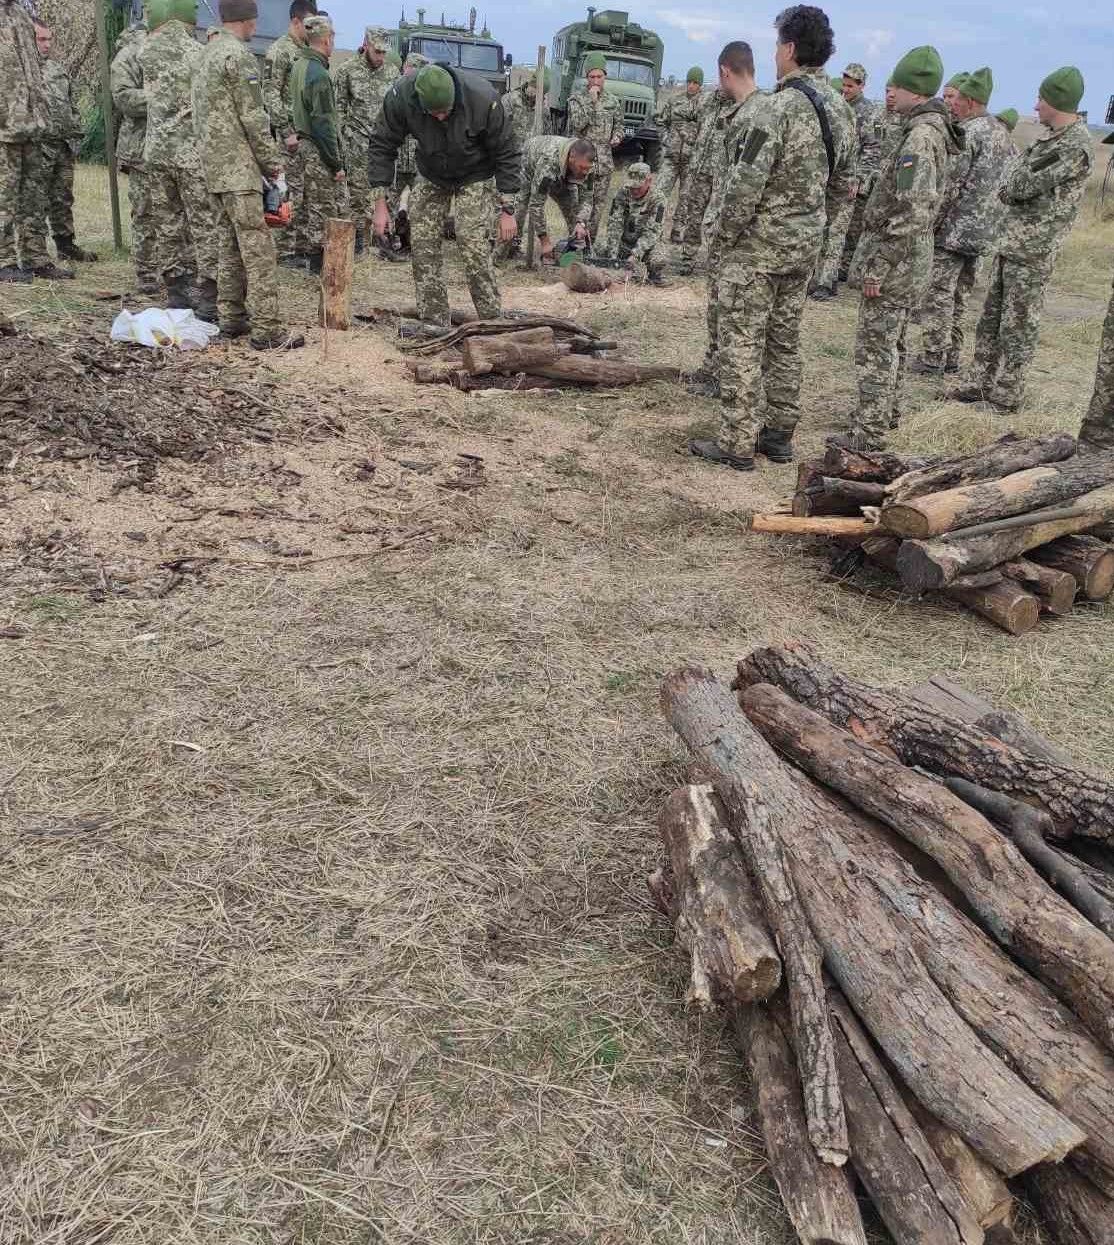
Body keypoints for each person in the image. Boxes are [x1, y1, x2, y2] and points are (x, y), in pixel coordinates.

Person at [690, 7, 854, 470]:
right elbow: (845, 183)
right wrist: (815, 226)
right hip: (804, 247)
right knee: (785, 339)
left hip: (757, 249)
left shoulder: (775, 108)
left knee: (742, 338)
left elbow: (744, 186)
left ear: (788, 48)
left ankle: (737, 443)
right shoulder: (841, 110)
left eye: (777, 45)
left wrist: (721, 240)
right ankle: (779, 435)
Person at [952, 67, 1092, 411]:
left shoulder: (1074, 145)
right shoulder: (1050, 140)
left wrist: (1014, 181)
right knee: (991, 319)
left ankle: (1007, 393)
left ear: (1057, 101)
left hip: (1033, 250)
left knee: (1018, 323)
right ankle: (978, 382)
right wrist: (1013, 181)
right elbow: (1010, 176)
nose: (1036, 106)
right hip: (1011, 242)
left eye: (1041, 99)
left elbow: (1019, 184)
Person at [844, 46, 959, 449]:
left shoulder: (921, 138)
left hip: (897, 259)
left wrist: (880, 264)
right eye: (889, 86)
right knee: (891, 340)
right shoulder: (925, 131)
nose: (890, 94)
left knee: (876, 345)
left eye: (899, 87)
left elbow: (913, 209)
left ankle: (868, 434)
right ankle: (884, 414)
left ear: (918, 92)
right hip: (906, 257)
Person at [367, 63, 521, 326]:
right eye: (433, 113)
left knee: (471, 244)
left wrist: (508, 210)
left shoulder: (483, 98)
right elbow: (382, 145)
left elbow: (507, 152)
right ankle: (434, 323)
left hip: (475, 173)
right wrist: (380, 204)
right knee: (424, 245)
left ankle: (493, 323)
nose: (439, 118)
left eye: (445, 112)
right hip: (431, 171)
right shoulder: (401, 96)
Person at [196, 0, 303, 350]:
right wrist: (272, 164)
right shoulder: (238, 57)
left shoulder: (206, 54)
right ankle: (267, 329)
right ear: (249, 20)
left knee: (228, 245)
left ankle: (231, 317)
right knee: (257, 249)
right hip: (240, 170)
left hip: (214, 168)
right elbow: (254, 117)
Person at [912, 68, 1014, 376]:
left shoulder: (968, 133)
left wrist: (931, 223)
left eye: (956, 100)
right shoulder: (1004, 135)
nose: (951, 105)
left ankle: (933, 355)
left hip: (953, 230)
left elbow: (951, 184)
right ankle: (953, 354)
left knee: (939, 293)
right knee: (961, 296)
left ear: (969, 101)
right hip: (983, 235)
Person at [686, 40, 761, 392]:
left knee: (729, 308)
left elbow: (746, 183)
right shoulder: (735, 109)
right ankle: (714, 363)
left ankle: (721, 374)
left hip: (737, 232)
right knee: (718, 301)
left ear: (724, 71)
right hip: (726, 222)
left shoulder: (757, 118)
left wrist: (724, 230)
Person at [139, 0, 219, 317]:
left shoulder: (145, 51)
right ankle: (210, 296)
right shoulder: (197, 53)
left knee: (167, 222)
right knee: (203, 223)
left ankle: (176, 291)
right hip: (189, 153)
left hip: (156, 151)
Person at [0, 0, 64, 283]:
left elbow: (32, 67)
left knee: (33, 195)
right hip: (5, 126)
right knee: (4, 196)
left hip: (31, 122)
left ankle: (36, 257)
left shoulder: (22, 15)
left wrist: (40, 111)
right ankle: (4, 260)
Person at [812, 61, 880, 299]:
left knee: (837, 231)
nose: (847, 89)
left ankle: (826, 281)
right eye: (845, 85)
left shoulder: (869, 113)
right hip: (828, 177)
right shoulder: (835, 106)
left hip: (848, 181)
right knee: (821, 228)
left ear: (862, 86)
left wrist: (860, 179)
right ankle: (817, 275)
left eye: (851, 86)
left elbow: (872, 149)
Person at [288, 12, 346, 274]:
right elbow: (323, 124)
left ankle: (312, 261)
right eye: (332, 38)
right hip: (317, 148)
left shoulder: (300, 65)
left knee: (311, 205)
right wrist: (335, 164)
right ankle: (319, 266)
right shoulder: (319, 74)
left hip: (303, 143)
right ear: (326, 39)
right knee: (324, 209)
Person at [332, 25, 397, 255]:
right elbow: (338, 110)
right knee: (359, 198)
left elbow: (395, 111)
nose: (381, 57)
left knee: (384, 195)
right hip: (356, 145)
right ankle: (358, 246)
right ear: (366, 45)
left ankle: (381, 243)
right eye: (377, 51)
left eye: (384, 53)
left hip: (383, 147)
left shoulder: (392, 73)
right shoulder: (347, 71)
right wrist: (341, 144)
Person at [34, 21, 95, 264]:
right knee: (36, 201)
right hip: (39, 147)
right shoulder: (21, 71)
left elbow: (70, 104)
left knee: (62, 197)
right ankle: (35, 252)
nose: (47, 45)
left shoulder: (57, 70)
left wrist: (75, 131)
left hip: (63, 146)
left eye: (50, 39)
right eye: (41, 39)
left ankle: (65, 244)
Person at [264, 0, 316, 263]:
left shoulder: (306, 51)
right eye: (308, 25)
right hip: (290, 137)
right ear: (296, 21)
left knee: (305, 192)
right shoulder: (280, 50)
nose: (311, 30)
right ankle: (285, 251)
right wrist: (285, 130)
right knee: (289, 191)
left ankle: (302, 247)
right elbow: (270, 92)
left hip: (307, 135)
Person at [110, 19, 159, 294]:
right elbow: (123, 98)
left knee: (170, 212)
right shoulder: (127, 56)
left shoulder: (165, 51)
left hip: (168, 146)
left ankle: (168, 268)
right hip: (140, 149)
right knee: (144, 211)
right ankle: (146, 272)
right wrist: (161, 97)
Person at [566, 51, 622, 238]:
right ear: (586, 77)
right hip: (582, 163)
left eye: (600, 76)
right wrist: (591, 101)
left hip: (604, 164)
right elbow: (578, 124)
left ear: (605, 76)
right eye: (592, 76)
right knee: (579, 205)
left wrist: (617, 136)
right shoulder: (577, 100)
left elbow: (619, 126)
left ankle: (590, 243)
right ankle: (575, 242)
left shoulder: (613, 101)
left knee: (598, 207)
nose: (596, 80)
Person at [514, 134, 594, 261]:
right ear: (572, 158)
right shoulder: (549, 162)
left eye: (587, 169)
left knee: (574, 215)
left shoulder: (587, 166)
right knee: (519, 208)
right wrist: (544, 241)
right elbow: (536, 205)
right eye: (582, 168)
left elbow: (587, 199)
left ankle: (571, 258)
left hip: (563, 173)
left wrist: (581, 222)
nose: (585, 173)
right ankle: (509, 250)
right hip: (528, 165)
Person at [386, 49, 428, 257]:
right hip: (398, 156)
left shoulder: (426, 94)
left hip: (419, 160)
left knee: (419, 203)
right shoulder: (395, 91)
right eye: (409, 70)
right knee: (390, 199)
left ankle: (414, 243)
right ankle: (388, 240)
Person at [656, 67, 704, 241]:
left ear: (700, 85)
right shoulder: (674, 101)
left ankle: (677, 231)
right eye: (689, 82)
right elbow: (661, 122)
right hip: (671, 157)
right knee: (660, 193)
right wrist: (666, 139)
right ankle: (655, 228)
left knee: (686, 197)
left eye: (695, 83)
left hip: (691, 160)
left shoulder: (704, 105)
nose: (691, 86)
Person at [603, 161, 669, 284]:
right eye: (632, 186)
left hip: (647, 245)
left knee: (658, 260)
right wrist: (612, 257)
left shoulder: (658, 199)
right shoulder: (622, 193)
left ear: (649, 181)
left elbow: (652, 232)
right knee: (600, 249)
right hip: (625, 243)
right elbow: (614, 224)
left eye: (638, 187)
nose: (634, 190)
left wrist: (635, 255)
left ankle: (653, 275)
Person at [502, 67, 549, 154]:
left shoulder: (543, 111)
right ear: (530, 84)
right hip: (511, 155)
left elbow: (546, 137)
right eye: (534, 88)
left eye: (540, 93)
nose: (535, 94)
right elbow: (500, 129)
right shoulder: (509, 100)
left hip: (531, 157)